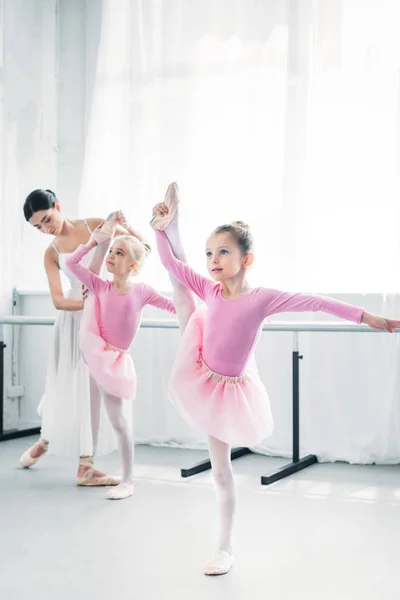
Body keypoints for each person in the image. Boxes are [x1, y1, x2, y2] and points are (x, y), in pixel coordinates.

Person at [151, 184, 400, 576]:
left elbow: (316, 301)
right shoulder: (210, 289)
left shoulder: (262, 297)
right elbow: (172, 267)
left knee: (222, 470)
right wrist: (158, 228)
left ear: (246, 258)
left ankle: (224, 545)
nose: (213, 260)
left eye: (223, 252)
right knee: (183, 294)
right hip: (202, 371)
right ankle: (174, 222)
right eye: (209, 253)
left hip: (231, 388)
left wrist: (367, 317)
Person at [20, 189, 144, 486]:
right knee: (64, 383)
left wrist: (124, 224)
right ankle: (48, 440)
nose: (46, 229)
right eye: (39, 227)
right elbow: (59, 301)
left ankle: (83, 464)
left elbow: (140, 247)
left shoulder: (95, 225)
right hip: (74, 318)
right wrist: (88, 304)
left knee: (94, 389)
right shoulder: (51, 252)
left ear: (58, 207)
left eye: (47, 219)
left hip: (103, 319)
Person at [64, 213, 176, 499]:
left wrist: (207, 311)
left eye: (119, 253)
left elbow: (174, 306)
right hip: (94, 352)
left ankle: (128, 480)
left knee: (119, 422)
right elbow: (70, 263)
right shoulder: (100, 286)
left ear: (133, 265)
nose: (111, 256)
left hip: (115, 362)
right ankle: (88, 465)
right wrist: (94, 242)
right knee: (93, 416)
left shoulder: (142, 291)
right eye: (111, 251)